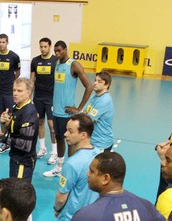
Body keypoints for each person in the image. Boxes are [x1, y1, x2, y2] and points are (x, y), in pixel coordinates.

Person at [44, 41, 93, 177]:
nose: (57, 53)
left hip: (67, 114)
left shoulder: (74, 65)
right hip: (56, 111)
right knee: (59, 138)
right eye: (55, 51)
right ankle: (59, 167)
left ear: (66, 50)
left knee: (70, 142)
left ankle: (70, 169)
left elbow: (89, 86)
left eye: (59, 50)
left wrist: (79, 108)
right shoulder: (56, 64)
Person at [0, 78, 38, 221]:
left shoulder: (29, 113)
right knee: (17, 189)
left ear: (28, 93)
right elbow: (9, 130)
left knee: (20, 192)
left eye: (19, 91)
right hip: (15, 158)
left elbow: (25, 145)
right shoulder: (17, 107)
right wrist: (4, 122)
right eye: (14, 90)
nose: (15, 93)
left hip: (23, 161)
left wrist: (4, 139)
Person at [0, 34, 21, 153]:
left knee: (11, 116)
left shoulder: (14, 56)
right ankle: (5, 141)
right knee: (1, 116)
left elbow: (17, 72)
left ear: (7, 42)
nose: (1, 44)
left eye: (3, 42)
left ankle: (14, 140)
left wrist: (12, 83)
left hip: (8, 92)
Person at [30, 37, 58, 162]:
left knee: (52, 125)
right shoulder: (35, 61)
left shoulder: (55, 61)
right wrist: (29, 96)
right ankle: (42, 148)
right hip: (38, 97)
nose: (43, 49)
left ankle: (55, 152)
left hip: (51, 97)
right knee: (40, 122)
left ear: (50, 46)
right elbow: (31, 79)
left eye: (45, 46)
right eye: (41, 46)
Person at [83, 71, 114, 151]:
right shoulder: (95, 97)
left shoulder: (104, 101)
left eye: (99, 82)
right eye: (95, 80)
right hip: (92, 141)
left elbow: (88, 121)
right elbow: (85, 113)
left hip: (101, 144)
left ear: (106, 85)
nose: (95, 83)